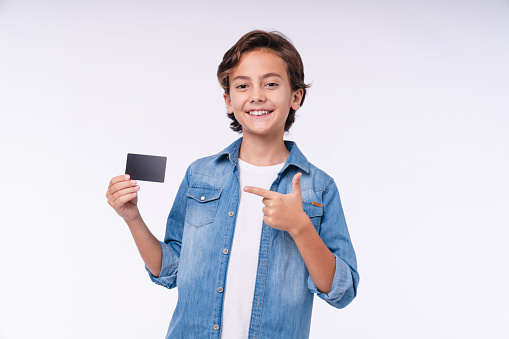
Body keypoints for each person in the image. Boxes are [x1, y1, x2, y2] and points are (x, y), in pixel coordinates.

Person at [106, 30, 359, 339]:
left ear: (295, 96)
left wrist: (301, 227)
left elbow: (342, 291)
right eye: (242, 86)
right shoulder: (200, 174)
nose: (256, 95)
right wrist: (132, 218)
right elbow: (170, 270)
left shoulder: (319, 187)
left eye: (271, 83)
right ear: (229, 100)